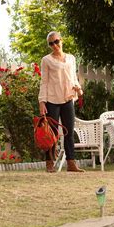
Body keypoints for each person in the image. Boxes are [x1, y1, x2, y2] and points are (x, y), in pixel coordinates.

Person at [38, 31, 85, 173]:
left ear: (61, 40)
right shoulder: (46, 60)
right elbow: (44, 82)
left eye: (56, 41)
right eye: (51, 43)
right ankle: (49, 163)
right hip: (52, 99)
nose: (54, 45)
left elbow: (73, 77)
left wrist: (79, 89)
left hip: (68, 98)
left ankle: (71, 164)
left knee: (69, 132)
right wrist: (42, 101)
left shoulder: (71, 58)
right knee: (51, 132)